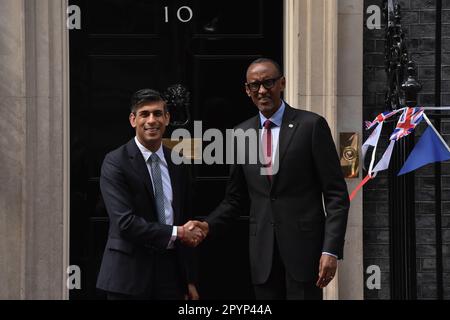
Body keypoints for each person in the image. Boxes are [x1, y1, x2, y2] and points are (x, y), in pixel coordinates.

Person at [192, 58, 350, 300]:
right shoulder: (240, 134)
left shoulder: (311, 126)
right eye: (255, 85)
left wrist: (330, 250)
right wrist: (208, 225)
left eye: (269, 82)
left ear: (282, 83)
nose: (262, 90)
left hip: (305, 253)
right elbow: (235, 199)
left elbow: (336, 195)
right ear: (247, 90)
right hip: (262, 254)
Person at [96, 89, 203, 300]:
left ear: (167, 118)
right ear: (133, 120)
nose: (151, 120)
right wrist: (178, 233)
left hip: (171, 276)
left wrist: (189, 279)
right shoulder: (115, 162)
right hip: (129, 276)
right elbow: (125, 222)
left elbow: (185, 216)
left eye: (157, 113)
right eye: (144, 114)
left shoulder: (178, 162)